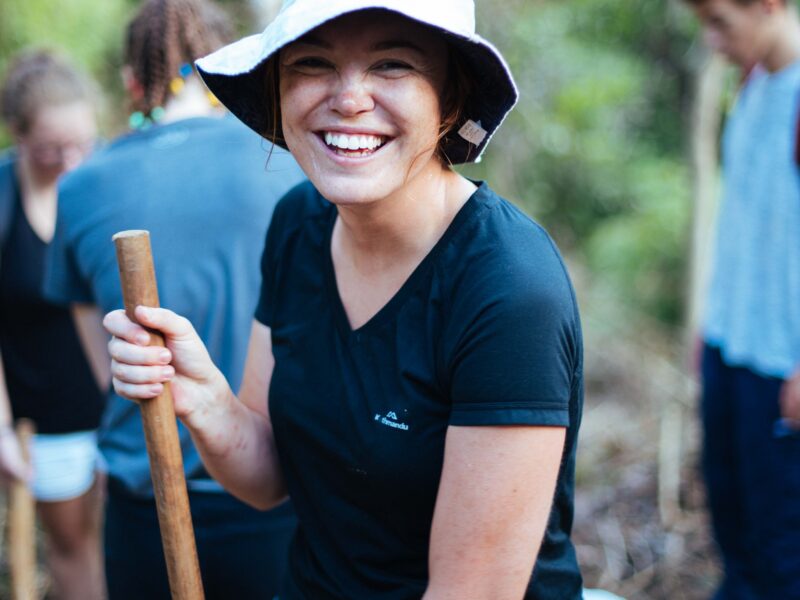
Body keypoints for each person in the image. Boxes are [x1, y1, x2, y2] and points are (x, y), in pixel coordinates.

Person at [104, 0, 584, 598]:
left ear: (450, 98)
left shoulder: (507, 290)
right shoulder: (299, 224)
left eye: (392, 65)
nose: (350, 98)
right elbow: (269, 481)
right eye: (312, 62)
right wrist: (203, 399)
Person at [42, 0, 304, 598]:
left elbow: (107, 362)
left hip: (146, 501)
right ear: (225, 70)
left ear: (133, 80)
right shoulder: (290, 158)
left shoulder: (81, 187)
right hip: (277, 490)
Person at [686, 0, 800, 598]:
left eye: (720, 23)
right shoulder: (752, 84)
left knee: (785, 539)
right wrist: (707, 325)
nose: (711, 40)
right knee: (732, 519)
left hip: (783, 364)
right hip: (730, 345)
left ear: (769, 6)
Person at [0, 49, 104, 600]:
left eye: (80, 147)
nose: (68, 163)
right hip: (44, 423)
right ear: (17, 136)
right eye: (49, 150)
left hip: (118, 410)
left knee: (123, 546)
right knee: (73, 551)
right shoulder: (2, 196)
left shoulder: (104, 183)